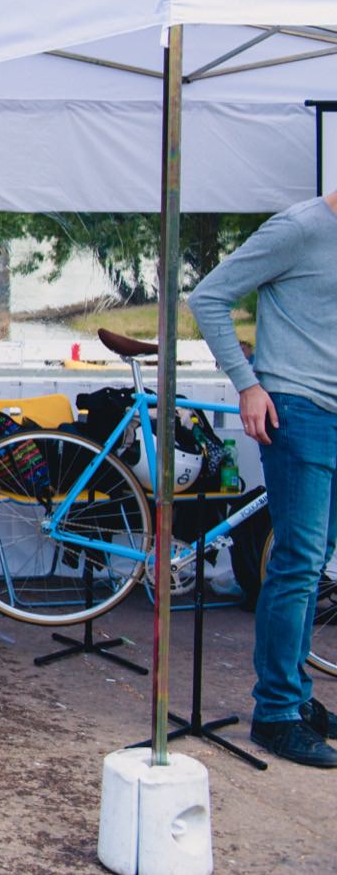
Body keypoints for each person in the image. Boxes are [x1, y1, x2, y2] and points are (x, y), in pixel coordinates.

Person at [189, 189, 337, 768]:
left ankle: (295, 699)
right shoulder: (299, 227)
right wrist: (248, 384)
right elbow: (209, 296)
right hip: (298, 410)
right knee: (297, 563)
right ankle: (275, 713)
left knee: (315, 558)